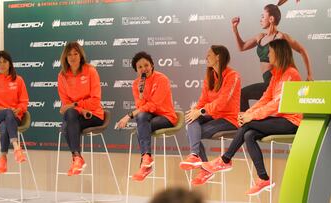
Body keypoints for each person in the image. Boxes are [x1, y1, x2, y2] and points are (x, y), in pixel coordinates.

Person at [201, 39, 302, 196]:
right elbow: (265, 98)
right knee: (249, 134)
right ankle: (263, 179)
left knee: (248, 126)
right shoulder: (276, 74)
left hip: (291, 121)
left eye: (270, 51)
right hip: (279, 119)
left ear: (279, 53)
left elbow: (276, 104)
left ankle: (225, 160)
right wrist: (249, 113)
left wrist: (251, 116)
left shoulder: (291, 74)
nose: (268, 54)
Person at [179, 45, 241, 185]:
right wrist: (196, 109)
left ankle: (204, 168)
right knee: (190, 121)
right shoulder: (210, 76)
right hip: (213, 115)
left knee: (192, 132)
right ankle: (195, 157)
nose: (206, 57)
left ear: (218, 57)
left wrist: (200, 111)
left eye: (209, 55)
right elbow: (203, 100)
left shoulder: (233, 76)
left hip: (229, 118)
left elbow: (222, 103)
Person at [232, 4, 312, 112]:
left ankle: (245, 122)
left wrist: (309, 74)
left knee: (244, 94)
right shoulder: (260, 37)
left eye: (263, 17)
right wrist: (235, 29)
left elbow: (302, 50)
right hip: (267, 81)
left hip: (276, 81)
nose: (260, 20)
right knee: (247, 97)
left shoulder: (280, 37)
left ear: (271, 19)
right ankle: (245, 121)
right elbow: (242, 47)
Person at [116, 51, 177, 181]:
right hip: (148, 117)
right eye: (140, 67)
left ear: (152, 65)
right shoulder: (136, 84)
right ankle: (147, 158)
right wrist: (141, 93)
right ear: (136, 70)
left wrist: (129, 115)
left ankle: (145, 164)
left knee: (141, 125)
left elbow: (154, 105)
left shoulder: (162, 79)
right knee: (142, 118)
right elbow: (141, 106)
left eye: (146, 65)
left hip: (166, 117)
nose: (144, 69)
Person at [57, 41, 104, 176]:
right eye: (69, 54)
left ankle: (77, 159)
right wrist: (75, 108)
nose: (72, 57)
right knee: (69, 116)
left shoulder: (90, 71)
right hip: (76, 116)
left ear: (81, 55)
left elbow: (95, 101)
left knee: (66, 126)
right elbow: (65, 104)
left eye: (75, 53)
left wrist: (76, 105)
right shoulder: (62, 76)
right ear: (65, 57)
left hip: (93, 115)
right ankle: (77, 157)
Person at [0, 50, 29, 174]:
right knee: (6, 113)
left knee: (5, 124)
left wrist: (19, 109)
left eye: (4, 61)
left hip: (14, 117)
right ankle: (16, 147)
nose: (1, 64)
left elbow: (24, 101)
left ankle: (3, 157)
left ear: (10, 63)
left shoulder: (18, 80)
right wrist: (6, 110)